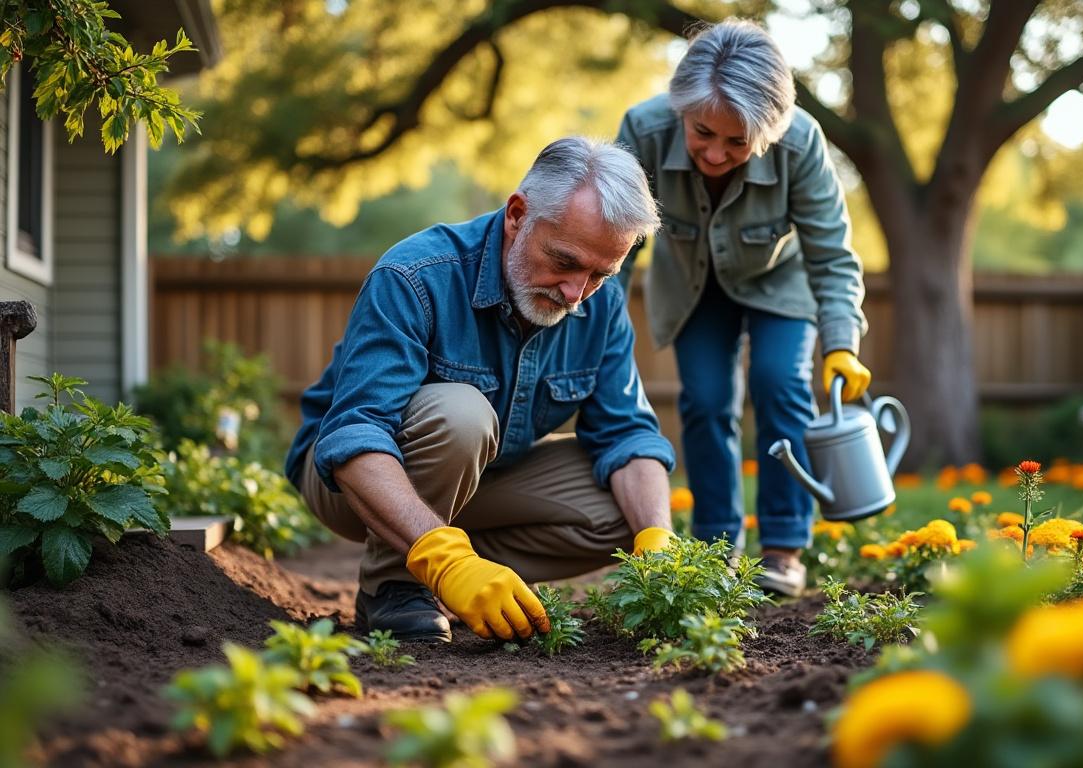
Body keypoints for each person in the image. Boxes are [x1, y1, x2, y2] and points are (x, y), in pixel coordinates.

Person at [284, 137, 678, 643]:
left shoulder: (598, 306)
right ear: (517, 214)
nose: (575, 293)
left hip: (481, 478)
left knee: (629, 510)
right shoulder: (417, 275)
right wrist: (442, 559)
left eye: (600, 274)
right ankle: (397, 584)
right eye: (564, 261)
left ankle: (463, 568)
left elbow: (628, 434)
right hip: (349, 479)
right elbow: (355, 433)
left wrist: (657, 540)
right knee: (461, 415)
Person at [617, 20, 870, 597]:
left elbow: (832, 256)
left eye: (738, 143)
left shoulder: (802, 143)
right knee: (706, 402)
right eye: (703, 132)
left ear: (771, 130)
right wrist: (592, 322)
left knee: (781, 386)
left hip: (780, 282)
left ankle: (782, 547)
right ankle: (716, 549)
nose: (715, 153)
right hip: (692, 284)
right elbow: (618, 244)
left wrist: (841, 346)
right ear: (681, 107)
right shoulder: (644, 130)